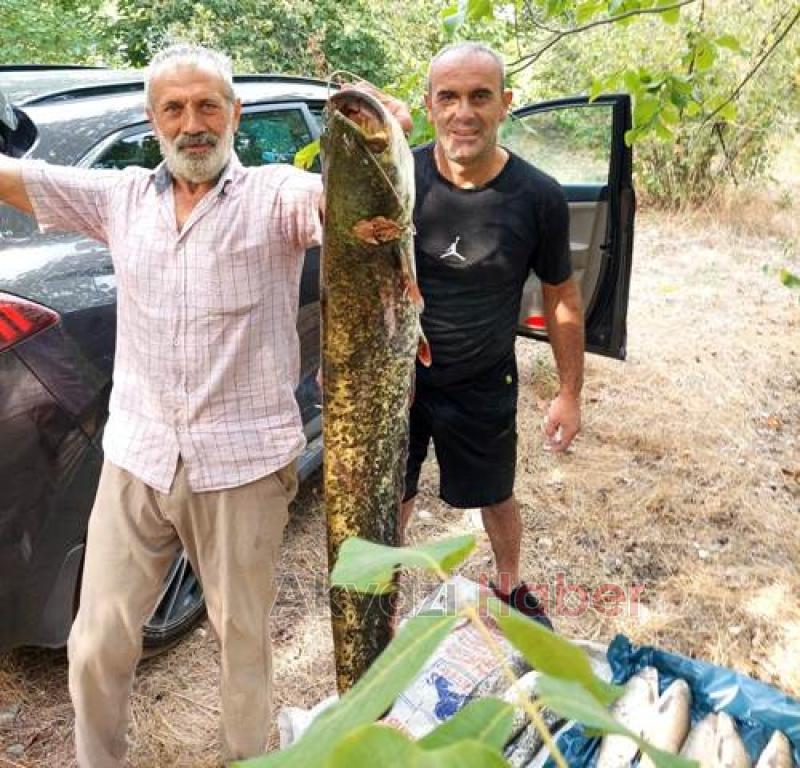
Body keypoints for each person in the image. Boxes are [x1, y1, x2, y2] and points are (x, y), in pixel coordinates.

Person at [0, 44, 410, 767]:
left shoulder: (275, 196)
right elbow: (20, 179)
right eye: (174, 108)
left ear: (234, 113)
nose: (193, 124)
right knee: (95, 645)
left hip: (242, 465)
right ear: (153, 118)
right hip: (136, 456)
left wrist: (379, 151)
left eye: (207, 106)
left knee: (241, 648)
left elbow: (338, 208)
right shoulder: (121, 197)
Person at [401, 42, 584, 626]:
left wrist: (569, 392)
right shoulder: (398, 176)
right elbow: (345, 256)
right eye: (449, 97)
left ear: (505, 103)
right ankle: (377, 594)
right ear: (429, 105)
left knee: (496, 494)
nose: (464, 112)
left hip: (483, 378)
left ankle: (508, 585)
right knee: (390, 496)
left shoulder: (538, 196)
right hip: (397, 378)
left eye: (480, 96)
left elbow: (560, 296)